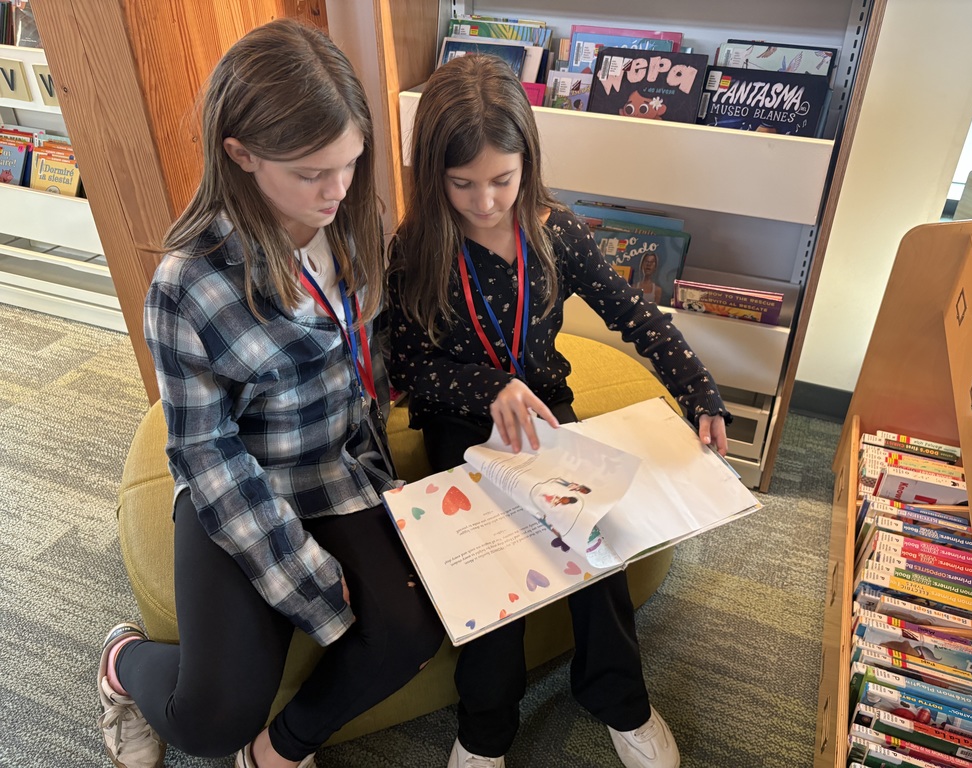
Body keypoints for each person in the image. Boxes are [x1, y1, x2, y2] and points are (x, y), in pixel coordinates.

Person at [96, 19, 443, 768]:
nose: (338, 189)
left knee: (413, 630)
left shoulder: (355, 221)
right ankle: (121, 662)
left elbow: (376, 355)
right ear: (241, 154)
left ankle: (277, 754)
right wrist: (309, 580)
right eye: (312, 172)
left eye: (349, 163)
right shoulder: (187, 285)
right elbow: (206, 455)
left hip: (336, 466)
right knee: (209, 722)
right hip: (242, 484)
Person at [387, 54, 730, 768]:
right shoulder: (415, 250)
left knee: (595, 548)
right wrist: (488, 390)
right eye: (463, 184)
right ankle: (486, 729)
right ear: (433, 176)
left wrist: (700, 391)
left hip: (552, 422)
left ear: (527, 164)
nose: (485, 201)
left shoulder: (555, 234)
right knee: (496, 568)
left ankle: (620, 701)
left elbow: (637, 315)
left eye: (502, 180)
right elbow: (410, 368)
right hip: (463, 429)